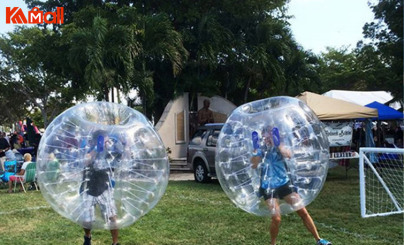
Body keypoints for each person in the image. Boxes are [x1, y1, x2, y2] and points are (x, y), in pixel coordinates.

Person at [251, 126, 331, 245]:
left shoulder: (280, 145)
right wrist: (256, 149)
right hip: (268, 186)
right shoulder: (261, 149)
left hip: (284, 183)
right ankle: (272, 243)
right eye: (265, 136)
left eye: (269, 136)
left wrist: (277, 144)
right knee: (276, 218)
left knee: (303, 211)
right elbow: (254, 165)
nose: (267, 139)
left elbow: (288, 155)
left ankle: (319, 240)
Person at [80, 130, 120, 245]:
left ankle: (115, 243)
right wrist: (97, 149)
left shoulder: (110, 153)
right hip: (89, 189)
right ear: (94, 141)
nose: (105, 143)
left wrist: (121, 145)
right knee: (87, 220)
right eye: (102, 140)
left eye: (106, 140)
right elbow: (86, 161)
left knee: (112, 217)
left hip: (105, 188)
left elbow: (122, 159)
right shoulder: (88, 150)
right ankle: (87, 237)